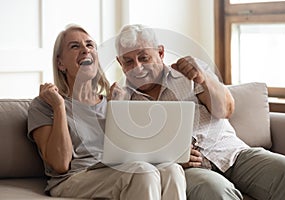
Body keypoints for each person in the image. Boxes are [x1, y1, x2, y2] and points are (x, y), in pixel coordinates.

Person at [110, 24, 285, 200]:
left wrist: (205, 80)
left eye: (144, 58)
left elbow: (226, 110)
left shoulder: (189, 74)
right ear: (120, 63)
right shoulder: (121, 98)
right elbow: (123, 156)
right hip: (186, 170)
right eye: (128, 62)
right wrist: (167, 157)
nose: (137, 67)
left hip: (230, 152)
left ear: (160, 53)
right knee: (215, 191)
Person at [27, 24, 187, 200]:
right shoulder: (45, 105)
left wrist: (118, 111)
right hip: (73, 178)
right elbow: (60, 164)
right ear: (60, 63)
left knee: (172, 169)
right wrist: (59, 108)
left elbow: (131, 154)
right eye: (75, 46)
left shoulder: (113, 101)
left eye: (90, 45)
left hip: (116, 171)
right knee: (142, 172)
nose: (85, 50)